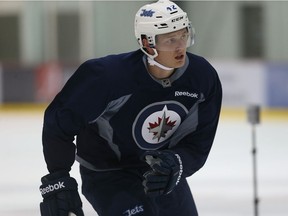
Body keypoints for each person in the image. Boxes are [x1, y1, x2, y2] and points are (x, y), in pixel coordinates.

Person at [39, 0, 222, 215]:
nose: (180, 46)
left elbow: (198, 142)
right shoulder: (106, 78)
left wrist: (177, 163)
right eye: (170, 40)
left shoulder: (201, 77)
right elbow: (60, 122)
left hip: (160, 171)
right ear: (147, 43)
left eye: (184, 35)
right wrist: (58, 178)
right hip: (108, 173)